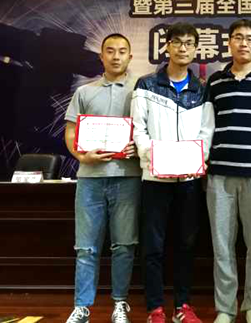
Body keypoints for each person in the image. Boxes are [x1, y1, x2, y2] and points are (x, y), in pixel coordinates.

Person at [131, 23, 215, 323]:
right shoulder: (146, 85)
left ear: (195, 49)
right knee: (152, 245)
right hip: (155, 179)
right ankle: (155, 307)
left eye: (189, 43)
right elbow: (138, 129)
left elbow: (207, 132)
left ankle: (183, 306)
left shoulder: (202, 90)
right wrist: (154, 157)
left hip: (189, 180)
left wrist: (196, 160)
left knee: (186, 243)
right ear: (166, 46)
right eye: (177, 42)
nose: (183, 48)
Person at [64, 33, 141, 323]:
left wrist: (139, 147)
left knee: (124, 245)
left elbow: (149, 130)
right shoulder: (85, 92)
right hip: (90, 179)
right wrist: (82, 156)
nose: (116, 56)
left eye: (122, 51)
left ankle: (120, 303)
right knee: (86, 247)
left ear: (130, 56)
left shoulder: (141, 91)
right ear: (101, 56)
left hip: (128, 177)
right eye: (110, 51)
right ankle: (82, 307)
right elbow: (71, 133)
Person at [205, 19, 251, 323]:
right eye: (237, 37)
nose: (243, 43)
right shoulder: (215, 81)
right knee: (222, 244)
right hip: (219, 173)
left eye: (250, 38)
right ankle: (225, 308)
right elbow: (206, 126)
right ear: (229, 43)